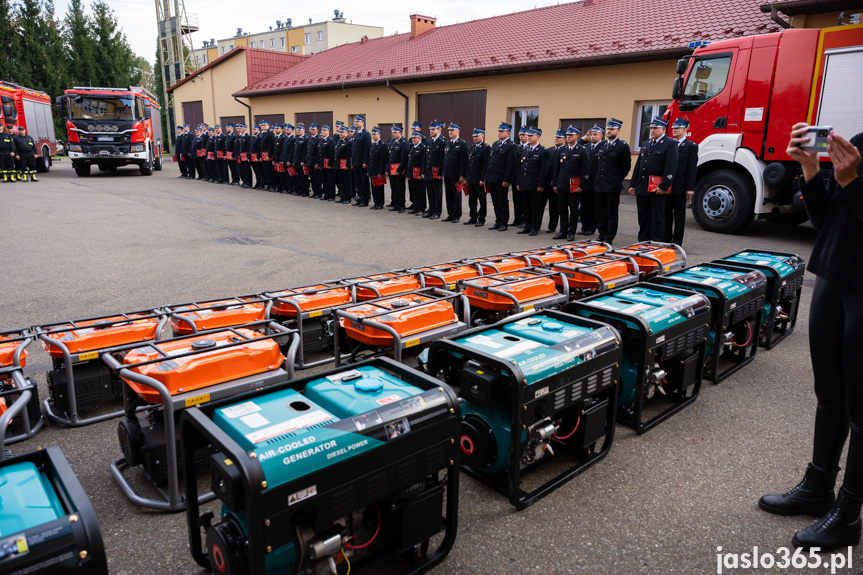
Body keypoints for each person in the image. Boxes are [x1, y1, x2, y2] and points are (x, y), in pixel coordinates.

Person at [759, 125, 863, 552]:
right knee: (830, 394)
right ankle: (817, 488)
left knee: (862, 409)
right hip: (833, 279)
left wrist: (853, 183)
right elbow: (827, 220)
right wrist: (810, 170)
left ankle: (849, 514)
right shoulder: (859, 141)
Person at [629, 117, 678, 242]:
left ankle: (656, 243)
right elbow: (639, 165)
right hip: (643, 187)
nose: (652, 130)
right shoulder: (646, 144)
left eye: (655, 128)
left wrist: (663, 186)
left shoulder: (670, 143)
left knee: (657, 218)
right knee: (643, 217)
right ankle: (643, 241)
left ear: (663, 129)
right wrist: (633, 184)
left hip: (657, 188)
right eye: (651, 128)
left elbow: (671, 168)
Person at [593, 118, 631, 245]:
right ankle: (602, 233)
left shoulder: (622, 146)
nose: (609, 131)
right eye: (608, 129)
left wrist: (616, 179)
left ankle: (609, 236)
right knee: (600, 212)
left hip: (612, 185)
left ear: (618, 131)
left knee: (611, 213)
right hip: (599, 184)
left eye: (612, 129)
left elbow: (625, 167)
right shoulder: (602, 145)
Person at [553, 126, 591, 241]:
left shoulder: (582, 150)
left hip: (574, 186)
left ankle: (571, 232)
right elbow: (556, 168)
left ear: (577, 136)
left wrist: (582, 185)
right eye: (567, 135)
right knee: (562, 209)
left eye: (571, 135)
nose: (568, 137)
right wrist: (555, 183)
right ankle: (563, 231)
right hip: (562, 184)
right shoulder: (562, 149)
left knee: (573, 210)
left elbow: (586, 170)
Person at [664, 118, 698, 245]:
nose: (674, 130)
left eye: (677, 128)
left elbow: (691, 168)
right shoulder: (670, 144)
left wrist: (690, 188)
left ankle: (677, 241)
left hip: (680, 186)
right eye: (673, 128)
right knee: (666, 214)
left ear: (685, 129)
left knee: (679, 216)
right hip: (668, 186)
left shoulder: (690, 146)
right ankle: (666, 239)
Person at [486, 122, 519, 232]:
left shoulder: (511, 146)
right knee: (495, 201)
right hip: (493, 178)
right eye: (499, 131)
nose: (499, 133)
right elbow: (491, 162)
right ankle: (498, 220)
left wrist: (507, 179)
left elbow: (511, 164)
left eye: (502, 131)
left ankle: (504, 222)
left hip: (502, 179)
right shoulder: (495, 144)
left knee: (503, 201)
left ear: (508, 133)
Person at [517, 127, 549, 236]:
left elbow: (544, 170)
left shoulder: (542, 151)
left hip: (535, 184)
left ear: (537, 136)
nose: (529, 137)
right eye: (528, 136)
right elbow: (521, 168)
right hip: (525, 183)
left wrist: (541, 184)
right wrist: (519, 182)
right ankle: (527, 225)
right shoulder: (525, 149)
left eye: (531, 136)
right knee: (525, 206)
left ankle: (535, 227)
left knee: (535, 207)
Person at [579, 124, 604, 235]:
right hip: (585, 182)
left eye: (595, 134)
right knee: (584, 206)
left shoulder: (603, 147)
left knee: (594, 206)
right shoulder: (586, 148)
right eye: (591, 134)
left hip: (596, 182)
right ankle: (584, 227)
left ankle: (591, 228)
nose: (592, 136)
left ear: (601, 136)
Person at [442, 122, 468, 223]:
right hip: (448, 174)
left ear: (458, 131)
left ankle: (457, 215)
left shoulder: (462, 144)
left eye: (452, 130)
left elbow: (464, 161)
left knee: (456, 195)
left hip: (457, 175)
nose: (450, 132)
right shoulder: (447, 143)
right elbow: (445, 159)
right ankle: (450, 214)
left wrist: (462, 175)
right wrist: (443, 173)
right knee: (449, 195)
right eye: (449, 130)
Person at [465, 127, 490, 226]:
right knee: (472, 199)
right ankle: (473, 217)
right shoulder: (473, 147)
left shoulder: (486, 148)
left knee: (482, 199)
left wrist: (483, 179)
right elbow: (469, 163)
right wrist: (467, 177)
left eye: (477, 136)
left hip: (479, 178)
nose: (474, 138)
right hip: (471, 178)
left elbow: (486, 165)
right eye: (473, 136)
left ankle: (481, 218)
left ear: (482, 136)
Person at [540, 129, 564, 234]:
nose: (556, 139)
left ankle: (552, 226)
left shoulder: (565, 151)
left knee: (554, 207)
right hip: (546, 183)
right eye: (555, 137)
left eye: (559, 138)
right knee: (540, 206)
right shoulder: (549, 150)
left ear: (564, 139)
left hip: (557, 184)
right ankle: (536, 226)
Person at [423, 120, 445, 219]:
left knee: (437, 192)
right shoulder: (428, 141)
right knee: (430, 192)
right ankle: (431, 209)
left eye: (433, 129)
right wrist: (423, 171)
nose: (431, 131)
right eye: (430, 129)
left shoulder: (442, 142)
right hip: (428, 171)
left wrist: (441, 172)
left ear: (439, 129)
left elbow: (442, 159)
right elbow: (425, 158)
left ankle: (437, 211)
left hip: (436, 172)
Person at [387, 124, 409, 212]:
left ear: (400, 132)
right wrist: (387, 169)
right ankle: (396, 204)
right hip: (392, 169)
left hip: (399, 170)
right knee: (394, 187)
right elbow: (389, 157)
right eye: (393, 132)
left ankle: (401, 205)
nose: (393, 134)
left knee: (400, 188)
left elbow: (404, 158)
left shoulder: (404, 143)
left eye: (395, 132)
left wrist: (399, 169)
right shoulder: (392, 142)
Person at [352, 115, 372, 206]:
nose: (356, 123)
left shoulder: (366, 134)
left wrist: (365, 161)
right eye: (355, 121)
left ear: (363, 122)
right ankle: (360, 197)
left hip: (362, 162)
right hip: (356, 162)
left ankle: (365, 199)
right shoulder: (356, 133)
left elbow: (367, 149)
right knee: (358, 181)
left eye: (358, 121)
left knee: (364, 181)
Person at [368, 126, 388, 209]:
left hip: (378, 170)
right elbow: (370, 159)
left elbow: (383, 160)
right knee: (373, 187)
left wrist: (381, 172)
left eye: (375, 134)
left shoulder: (382, 145)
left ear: (379, 134)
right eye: (372, 134)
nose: (373, 136)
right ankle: (376, 202)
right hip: (373, 169)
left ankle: (380, 203)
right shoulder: (373, 145)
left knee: (379, 188)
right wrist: (368, 170)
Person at [407, 130, 426, 215]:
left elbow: (423, 162)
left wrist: (422, 173)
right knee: (414, 191)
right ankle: (416, 207)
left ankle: (421, 208)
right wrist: (408, 174)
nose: (413, 139)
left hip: (418, 174)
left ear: (419, 138)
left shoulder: (422, 148)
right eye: (412, 138)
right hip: (412, 173)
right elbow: (410, 162)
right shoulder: (413, 147)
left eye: (415, 138)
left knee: (420, 191)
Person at [334, 125, 353, 204]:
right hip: (339, 165)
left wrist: (348, 165)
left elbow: (349, 155)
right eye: (339, 132)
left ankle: (347, 198)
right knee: (341, 182)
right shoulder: (339, 141)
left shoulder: (348, 142)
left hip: (345, 166)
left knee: (347, 182)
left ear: (346, 133)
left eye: (342, 132)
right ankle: (343, 196)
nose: (340, 134)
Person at [318, 125, 336, 201]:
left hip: (328, 163)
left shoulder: (331, 141)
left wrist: (330, 164)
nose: (323, 132)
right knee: (324, 179)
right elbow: (319, 153)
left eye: (324, 130)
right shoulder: (321, 141)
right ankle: (326, 194)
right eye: (322, 130)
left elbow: (332, 154)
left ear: (328, 132)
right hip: (322, 163)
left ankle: (332, 195)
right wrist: (319, 163)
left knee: (330, 180)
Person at [293, 123, 310, 197]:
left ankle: (305, 191)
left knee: (304, 177)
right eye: (297, 130)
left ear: (304, 130)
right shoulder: (297, 138)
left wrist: (303, 160)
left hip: (302, 161)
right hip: (297, 160)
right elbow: (295, 151)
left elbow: (305, 151)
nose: (298, 131)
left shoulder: (306, 138)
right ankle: (300, 190)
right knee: (298, 176)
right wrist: (294, 160)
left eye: (300, 130)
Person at [307, 123, 322, 198]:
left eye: (314, 129)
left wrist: (317, 163)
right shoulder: (310, 138)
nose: (312, 131)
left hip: (315, 161)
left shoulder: (318, 139)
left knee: (317, 178)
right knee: (312, 178)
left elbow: (318, 152)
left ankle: (318, 193)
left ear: (317, 130)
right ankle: (314, 192)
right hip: (310, 161)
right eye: (311, 129)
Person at [258, 119, 274, 190]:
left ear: (268, 126)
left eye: (265, 125)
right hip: (263, 155)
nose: (263, 127)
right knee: (265, 171)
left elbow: (271, 145)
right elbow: (260, 146)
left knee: (270, 171)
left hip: (267, 155)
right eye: (262, 125)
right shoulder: (261, 134)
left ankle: (272, 185)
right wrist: (260, 156)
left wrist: (269, 155)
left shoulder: (270, 134)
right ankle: (267, 184)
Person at [235, 123, 252, 188]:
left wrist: (248, 156)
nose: (239, 130)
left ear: (244, 129)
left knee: (247, 169)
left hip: (245, 156)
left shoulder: (248, 137)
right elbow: (237, 147)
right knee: (241, 170)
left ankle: (248, 182)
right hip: (240, 156)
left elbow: (248, 148)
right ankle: (244, 181)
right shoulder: (239, 136)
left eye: (240, 128)